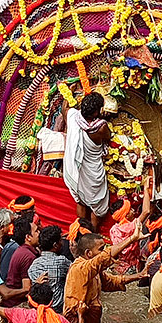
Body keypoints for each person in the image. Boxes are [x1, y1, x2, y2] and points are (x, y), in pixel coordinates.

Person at [63, 228, 144, 323]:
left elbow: (109, 282)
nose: (103, 252)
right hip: (78, 320)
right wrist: (131, 239)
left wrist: (138, 276)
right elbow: (104, 258)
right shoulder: (80, 268)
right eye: (101, 249)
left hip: (90, 318)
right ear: (88, 253)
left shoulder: (94, 270)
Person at [63, 92, 111, 229]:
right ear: (97, 111)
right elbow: (108, 137)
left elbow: (64, 108)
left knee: (81, 201)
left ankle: (81, 231)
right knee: (97, 205)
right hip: (92, 171)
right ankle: (92, 235)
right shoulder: (101, 127)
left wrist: (69, 91)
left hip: (74, 169)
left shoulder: (72, 116)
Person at [27, 225, 71, 313]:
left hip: (40, 310)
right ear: (55, 245)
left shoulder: (33, 266)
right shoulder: (61, 262)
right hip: (58, 309)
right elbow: (77, 270)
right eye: (60, 240)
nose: (62, 243)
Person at [1, 218, 41, 307]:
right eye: (36, 231)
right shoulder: (28, 256)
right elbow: (26, 288)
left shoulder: (22, 250)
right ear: (28, 237)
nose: (39, 234)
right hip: (17, 305)